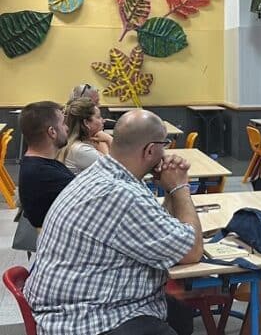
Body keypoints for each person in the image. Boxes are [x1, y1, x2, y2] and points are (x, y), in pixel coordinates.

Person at [24, 109, 203, 335]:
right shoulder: (121, 194)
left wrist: (168, 190)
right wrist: (181, 187)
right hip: (87, 319)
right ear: (150, 150)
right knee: (175, 314)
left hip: (74, 301)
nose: (166, 152)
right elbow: (191, 251)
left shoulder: (104, 173)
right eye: (164, 145)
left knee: (180, 313)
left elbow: (159, 229)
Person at [12, 102, 73, 255]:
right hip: (64, 253)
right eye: (63, 123)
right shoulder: (46, 175)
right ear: (52, 132)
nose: (67, 128)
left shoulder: (35, 164)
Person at [57, 97, 112, 174]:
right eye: (98, 117)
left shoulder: (78, 145)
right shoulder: (81, 150)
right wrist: (109, 139)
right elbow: (116, 170)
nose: (103, 120)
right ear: (86, 123)